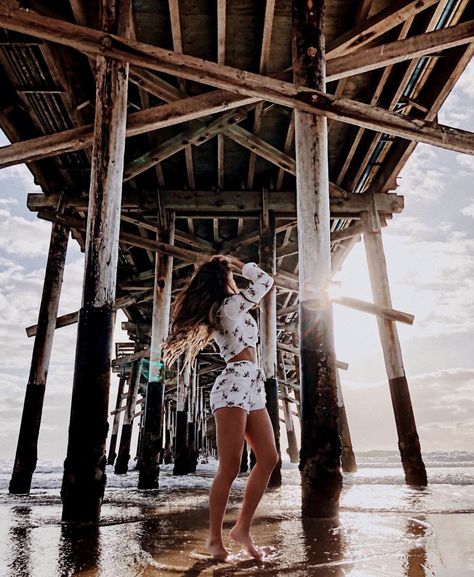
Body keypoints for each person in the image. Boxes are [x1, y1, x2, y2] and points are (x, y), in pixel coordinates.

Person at [163, 255, 279, 561]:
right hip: (232, 385)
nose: (234, 278)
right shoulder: (226, 308)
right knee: (230, 466)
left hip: (252, 384)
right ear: (222, 278)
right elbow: (266, 282)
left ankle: (242, 528)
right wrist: (239, 264)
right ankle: (215, 540)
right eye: (229, 275)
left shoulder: (230, 307)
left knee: (268, 457)